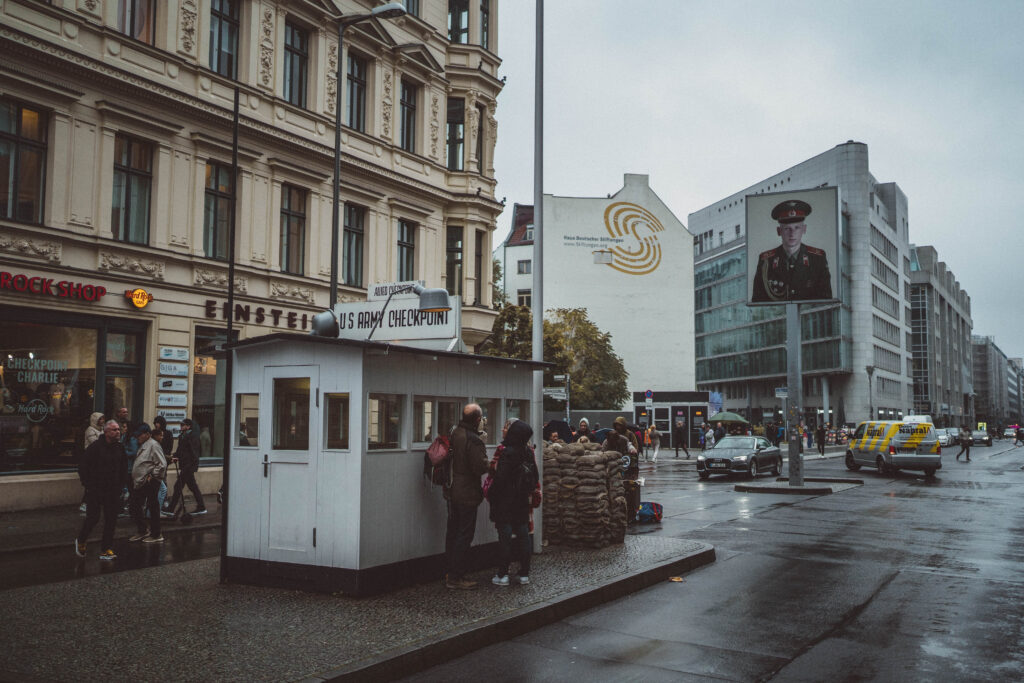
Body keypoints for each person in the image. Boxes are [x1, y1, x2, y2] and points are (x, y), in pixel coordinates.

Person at [443, 403, 489, 590]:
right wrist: (489, 462)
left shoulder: (455, 433)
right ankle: (457, 576)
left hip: (452, 489)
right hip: (467, 491)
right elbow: (479, 467)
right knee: (465, 533)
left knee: (453, 531)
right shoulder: (474, 440)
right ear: (478, 420)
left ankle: (449, 571)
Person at [751, 199, 833, 302]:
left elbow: (826, 302)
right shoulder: (766, 260)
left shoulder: (817, 258)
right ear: (779, 231)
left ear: (804, 229)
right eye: (787, 228)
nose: (792, 233)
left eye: (797, 228)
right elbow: (758, 301)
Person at [488, 419, 537, 587]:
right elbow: (535, 477)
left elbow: (499, 479)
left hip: (505, 502)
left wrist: (492, 496)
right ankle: (524, 573)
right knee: (524, 536)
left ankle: (503, 574)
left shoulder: (508, 452)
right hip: (522, 502)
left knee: (505, 538)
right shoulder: (528, 452)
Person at [76, 420, 129, 560]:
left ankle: (106, 549)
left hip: (113, 490)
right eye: (114, 430)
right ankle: (81, 539)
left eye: (118, 429)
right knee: (93, 518)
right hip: (96, 490)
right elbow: (83, 467)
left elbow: (124, 467)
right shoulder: (95, 447)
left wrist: (121, 485)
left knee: (111, 520)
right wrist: (88, 484)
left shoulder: (119, 448)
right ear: (106, 432)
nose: (118, 432)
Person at [127, 423, 167, 544]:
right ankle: (143, 530)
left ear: (147, 434)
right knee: (135, 505)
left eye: (140, 434)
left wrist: (152, 476)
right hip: (141, 481)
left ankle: (156, 534)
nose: (137, 436)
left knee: (151, 506)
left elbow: (162, 464)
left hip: (149, 481)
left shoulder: (153, 445)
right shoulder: (144, 444)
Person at [164, 418, 207, 515]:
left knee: (178, 486)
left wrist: (191, 466)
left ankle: (171, 509)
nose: (181, 426)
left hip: (188, 466)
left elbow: (194, 453)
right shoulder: (182, 436)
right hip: (184, 466)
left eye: (183, 425)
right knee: (193, 487)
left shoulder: (193, 437)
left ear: (188, 426)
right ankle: (201, 507)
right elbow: (179, 451)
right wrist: (172, 458)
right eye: (181, 425)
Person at [606, 417, 640, 523]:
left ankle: (632, 513)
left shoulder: (629, 435)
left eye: (620, 425)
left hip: (630, 467)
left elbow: (634, 448)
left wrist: (631, 455)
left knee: (631, 491)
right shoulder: (612, 436)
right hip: (616, 467)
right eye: (616, 425)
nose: (618, 427)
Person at [152, 416, 174, 517]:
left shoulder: (168, 434)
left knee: (163, 480)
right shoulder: (154, 434)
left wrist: (167, 458)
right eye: (155, 423)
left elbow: (169, 447)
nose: (156, 424)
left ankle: (164, 500)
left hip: (164, 459)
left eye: (158, 423)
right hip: (156, 460)